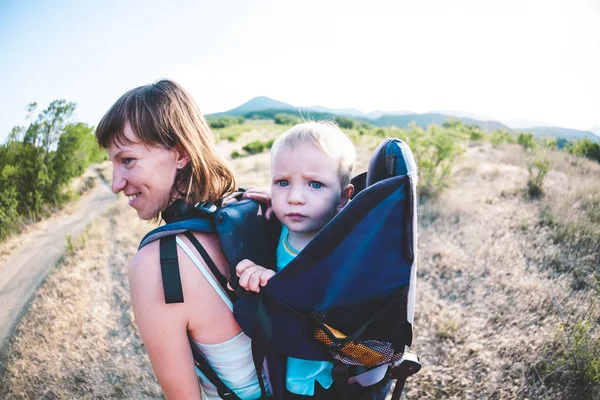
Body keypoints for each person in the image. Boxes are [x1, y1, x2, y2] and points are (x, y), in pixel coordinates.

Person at [95, 79, 268, 399]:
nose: (116, 184)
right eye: (112, 163)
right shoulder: (251, 210)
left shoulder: (155, 267)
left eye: (127, 160)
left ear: (180, 154)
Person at [236, 121, 356, 397]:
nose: (295, 198)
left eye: (315, 184)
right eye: (283, 182)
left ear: (343, 198)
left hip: (319, 374)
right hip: (279, 361)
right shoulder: (283, 223)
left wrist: (274, 283)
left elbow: (324, 303)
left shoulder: (337, 247)